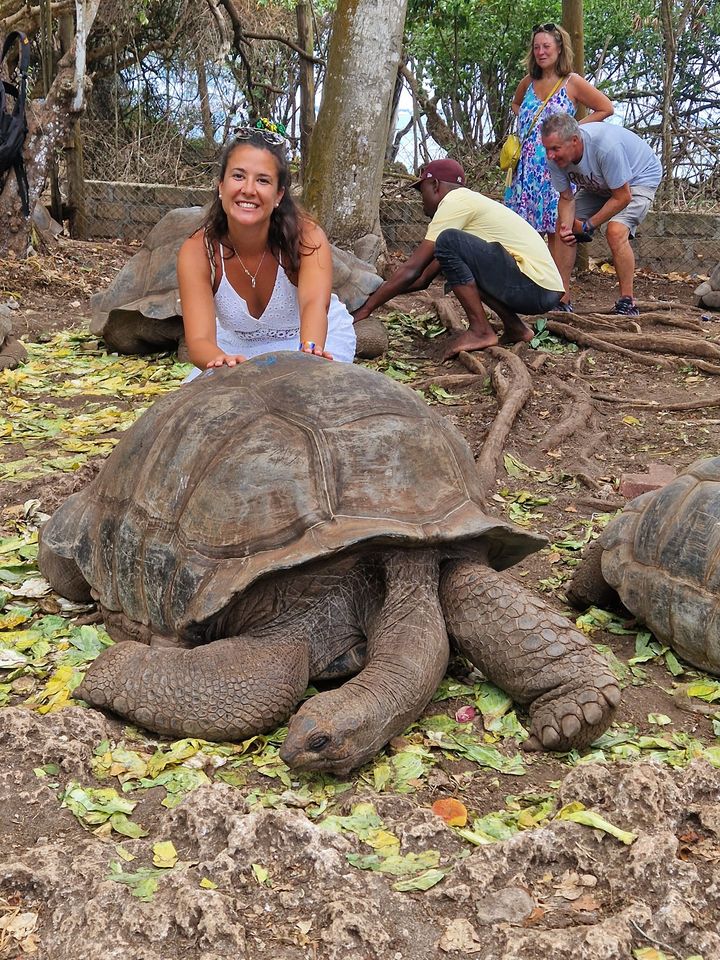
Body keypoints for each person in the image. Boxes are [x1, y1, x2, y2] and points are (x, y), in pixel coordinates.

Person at [178, 126, 356, 380]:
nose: (249, 189)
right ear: (221, 185)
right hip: (234, 351)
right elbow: (199, 341)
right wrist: (222, 361)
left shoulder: (307, 237)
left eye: (263, 180)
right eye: (238, 176)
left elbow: (314, 305)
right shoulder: (197, 250)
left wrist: (310, 353)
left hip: (306, 341)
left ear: (278, 195)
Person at [352, 158, 564, 358]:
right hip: (541, 290)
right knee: (463, 268)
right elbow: (422, 278)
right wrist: (372, 294)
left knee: (447, 240)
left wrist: (366, 309)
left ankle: (481, 330)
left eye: (421, 191)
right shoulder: (466, 211)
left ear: (435, 185)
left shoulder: (455, 201)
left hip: (535, 286)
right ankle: (516, 329)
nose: (421, 200)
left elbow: (412, 269)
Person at [505, 22, 613, 264]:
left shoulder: (571, 82)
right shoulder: (529, 82)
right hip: (526, 171)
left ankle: (560, 292)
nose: (541, 52)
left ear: (559, 48)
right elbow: (516, 104)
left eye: (546, 46)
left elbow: (605, 108)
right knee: (524, 232)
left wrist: (573, 131)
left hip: (557, 168)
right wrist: (525, 124)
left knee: (558, 229)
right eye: (536, 47)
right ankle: (528, 287)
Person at [541, 112, 662, 316]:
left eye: (555, 149)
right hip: (601, 184)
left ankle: (627, 302)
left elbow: (623, 197)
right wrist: (567, 226)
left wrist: (588, 225)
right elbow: (567, 198)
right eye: (547, 149)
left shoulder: (605, 148)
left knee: (615, 231)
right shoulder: (555, 158)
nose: (550, 155)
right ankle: (562, 298)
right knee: (564, 227)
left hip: (637, 179)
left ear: (574, 141)